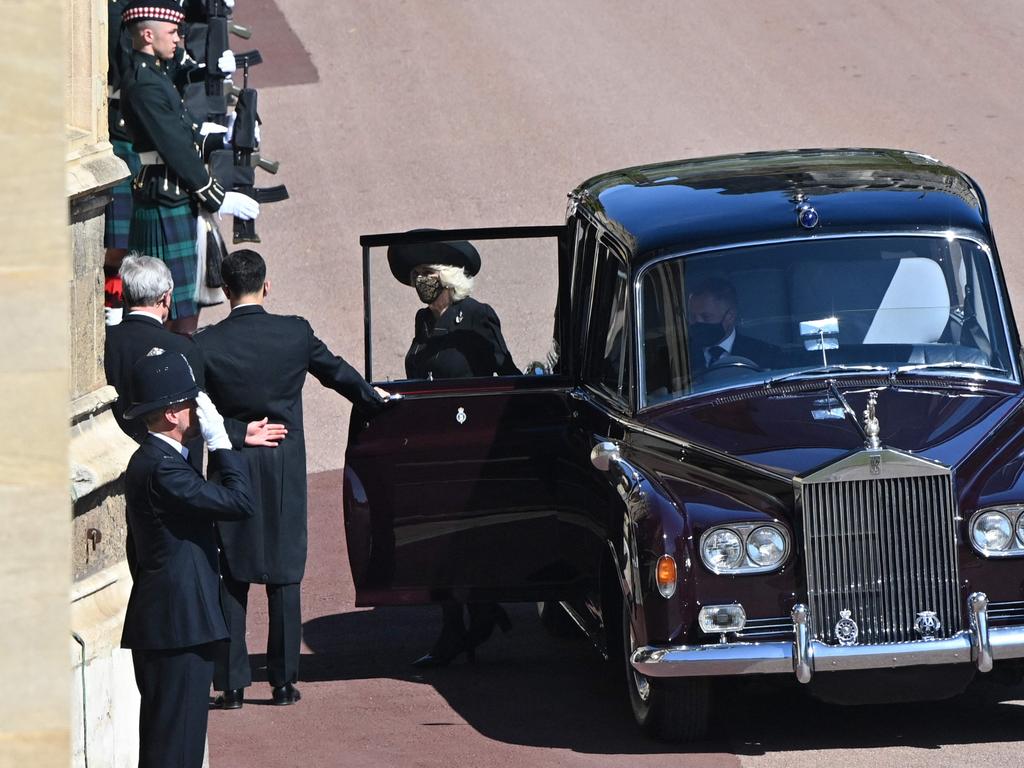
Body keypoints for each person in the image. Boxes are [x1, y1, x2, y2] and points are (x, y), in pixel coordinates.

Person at [196, 249, 392, 708]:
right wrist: (373, 398)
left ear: (226, 292)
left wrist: (242, 431)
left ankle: (232, 684)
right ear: (266, 286)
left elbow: (196, 411)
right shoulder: (294, 332)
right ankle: (283, 683)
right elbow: (338, 374)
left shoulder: (206, 344)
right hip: (284, 465)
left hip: (233, 464)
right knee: (284, 573)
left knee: (232, 574)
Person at [386, 236, 517, 667]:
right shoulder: (423, 322)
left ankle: (477, 614)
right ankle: (458, 623)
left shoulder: (477, 317)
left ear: (447, 277)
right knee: (440, 535)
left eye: (427, 274)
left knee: (470, 536)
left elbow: (503, 369)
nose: (419, 281)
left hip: (472, 443)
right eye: (416, 275)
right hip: (433, 443)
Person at [120, 348, 254, 768]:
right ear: (171, 414)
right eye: (191, 402)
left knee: (174, 745)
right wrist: (221, 443)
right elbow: (239, 501)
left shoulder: (159, 461)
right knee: (175, 750)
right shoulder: (163, 469)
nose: (198, 411)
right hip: (178, 628)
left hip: (172, 623)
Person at [118, 0, 254, 334]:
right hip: (167, 195)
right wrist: (217, 196)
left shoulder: (154, 74)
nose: (179, 38)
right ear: (149, 35)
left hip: (176, 194)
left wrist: (222, 137)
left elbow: (184, 128)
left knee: (185, 307)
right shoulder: (144, 83)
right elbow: (175, 148)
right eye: (173, 32)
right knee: (165, 310)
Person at [104, 254, 286, 454]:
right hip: (171, 460)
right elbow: (199, 411)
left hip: (113, 449)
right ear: (166, 297)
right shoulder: (182, 347)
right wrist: (241, 432)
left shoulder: (104, 341)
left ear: (124, 296)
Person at [686, 276, 777, 370]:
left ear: (730, 316)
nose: (697, 322)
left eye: (706, 317)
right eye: (692, 317)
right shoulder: (682, 358)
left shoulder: (765, 355)